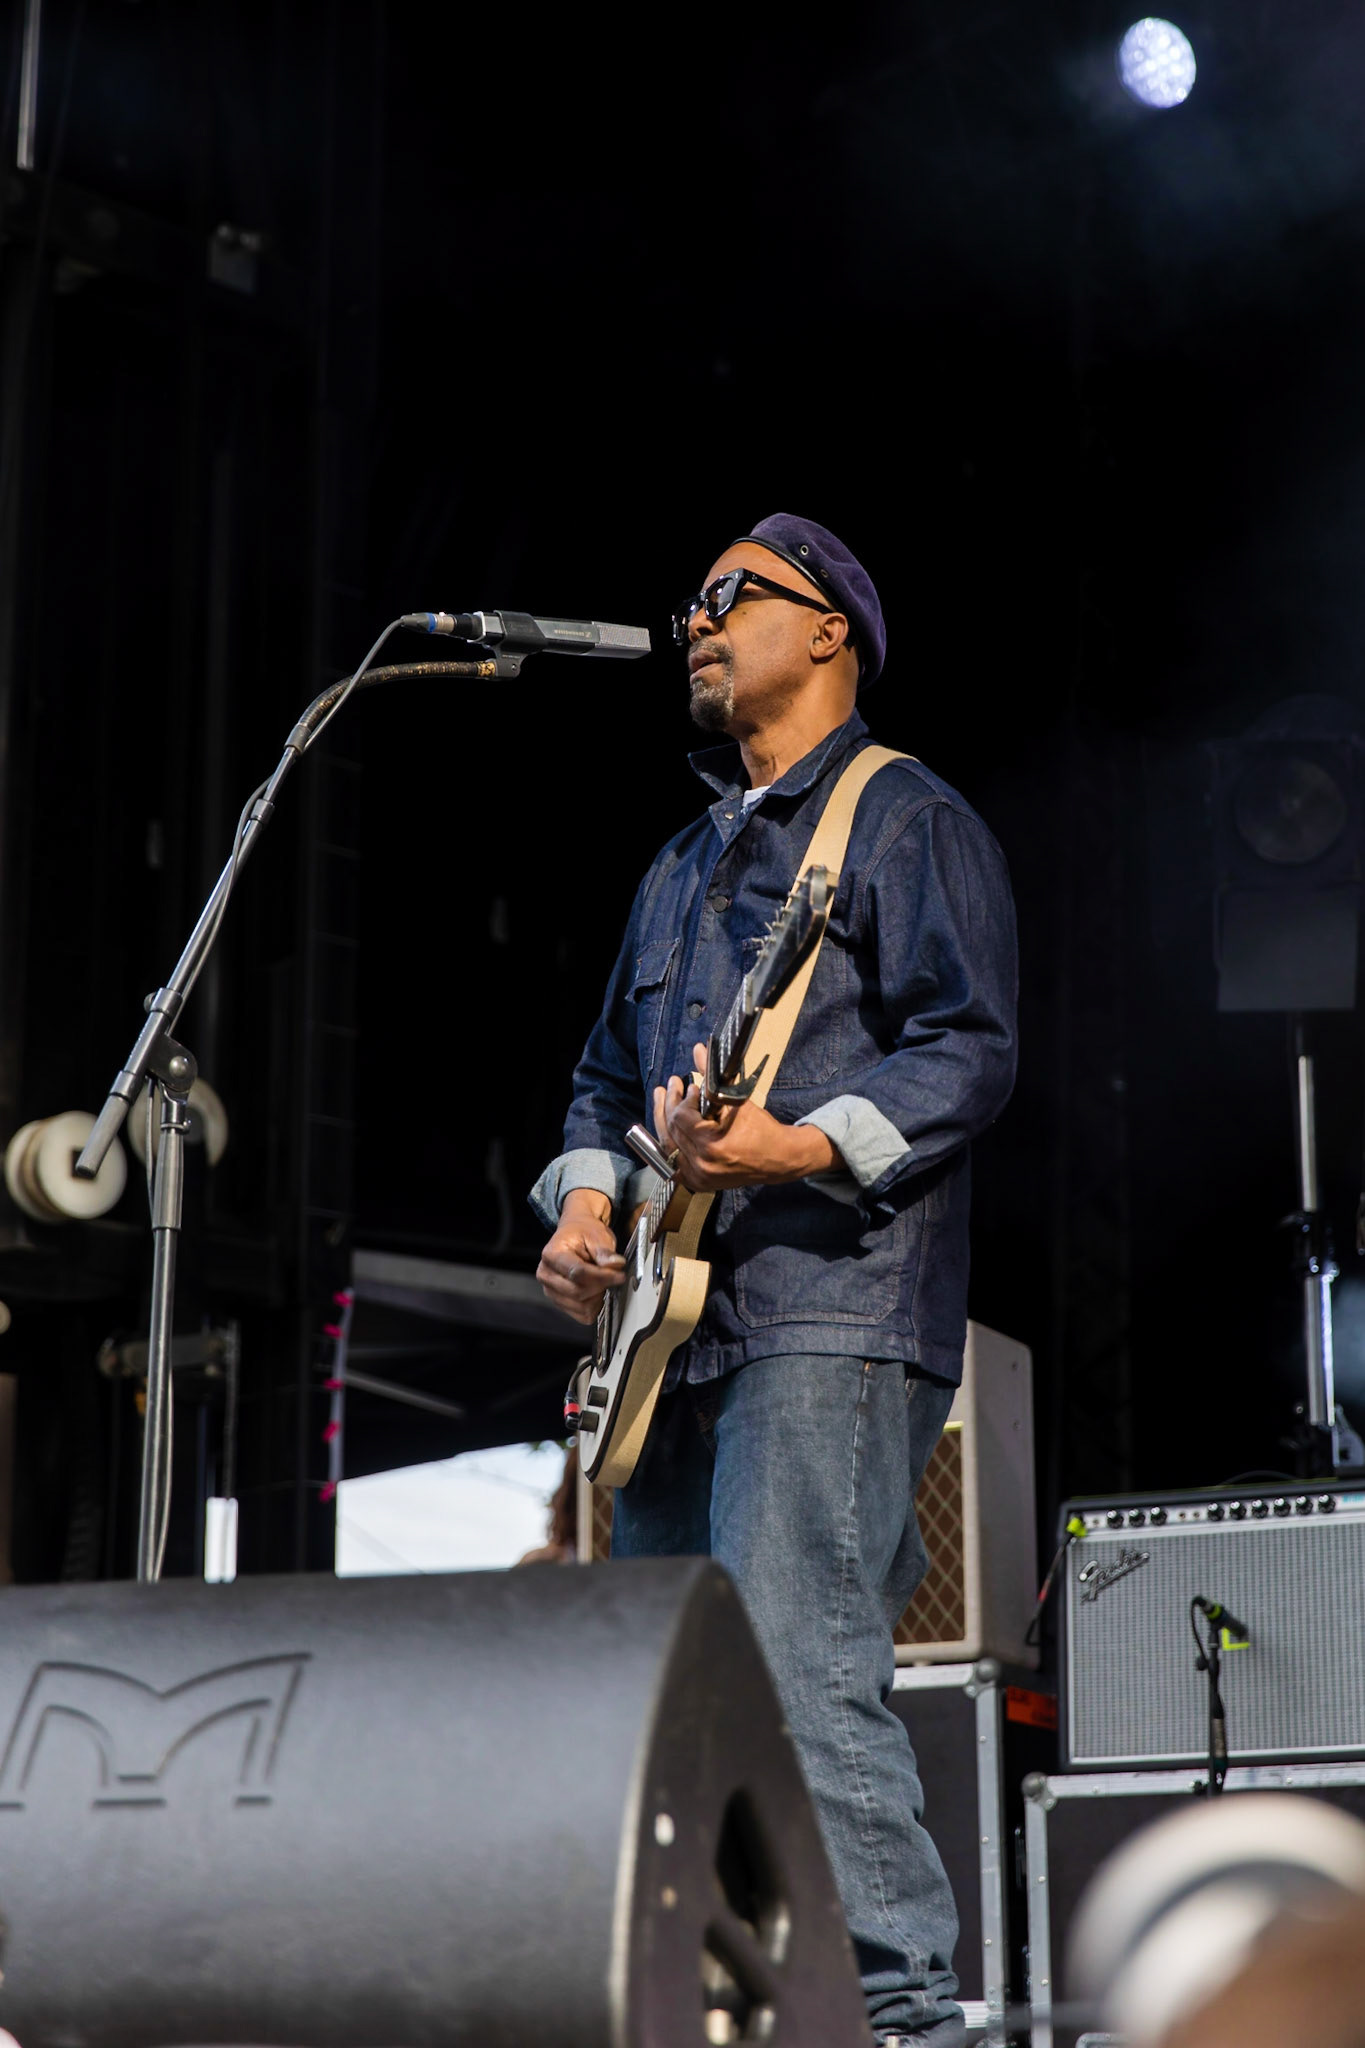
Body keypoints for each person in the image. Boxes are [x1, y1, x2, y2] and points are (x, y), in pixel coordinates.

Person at [530, 512, 1018, 2046]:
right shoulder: (679, 862)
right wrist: (586, 1204)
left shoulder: (903, 818)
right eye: (690, 601)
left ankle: (898, 2022)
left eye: (732, 596)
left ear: (829, 632)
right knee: (676, 1700)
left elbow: (972, 1050)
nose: (696, 619)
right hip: (671, 1332)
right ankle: (728, 2008)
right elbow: (605, 1077)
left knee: (804, 1682)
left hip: (829, 1315)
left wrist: (793, 1147)